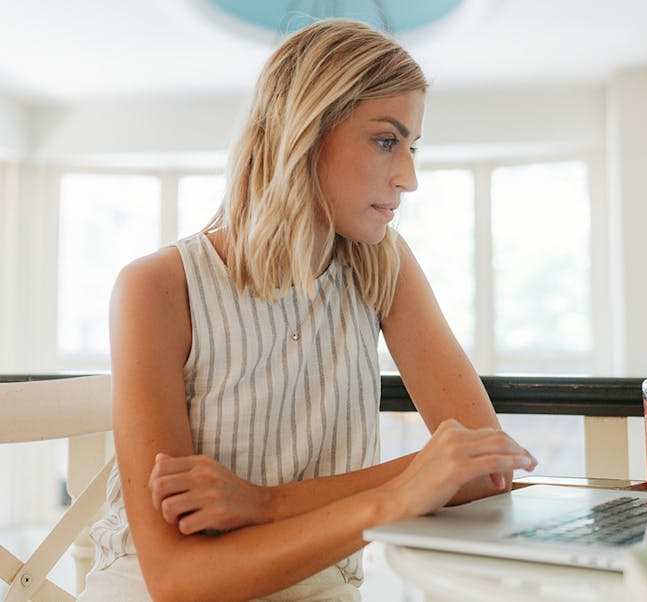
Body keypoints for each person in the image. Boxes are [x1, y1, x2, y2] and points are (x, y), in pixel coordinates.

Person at [79, 18, 536, 602]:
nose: (409, 177)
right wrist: (398, 495)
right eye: (386, 140)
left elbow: (484, 467)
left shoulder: (384, 267)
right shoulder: (157, 288)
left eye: (412, 146)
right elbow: (178, 580)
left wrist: (267, 503)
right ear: (306, 133)